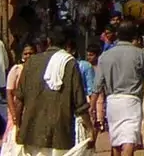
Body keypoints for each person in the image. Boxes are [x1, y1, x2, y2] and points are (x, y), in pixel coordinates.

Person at [15, 26, 90, 156]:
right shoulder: (70, 63)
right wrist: (90, 128)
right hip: (60, 133)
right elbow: (80, 104)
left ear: (48, 41)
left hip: (31, 132)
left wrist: (18, 126)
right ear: (68, 44)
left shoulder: (31, 62)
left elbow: (19, 100)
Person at [94, 21, 144, 156]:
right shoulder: (141, 54)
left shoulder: (105, 56)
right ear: (134, 35)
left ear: (117, 35)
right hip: (132, 101)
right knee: (129, 139)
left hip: (112, 102)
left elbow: (97, 85)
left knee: (116, 140)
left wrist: (92, 106)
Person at [1, 40, 38, 156]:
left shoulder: (39, 71)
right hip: (16, 111)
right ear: (21, 55)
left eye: (31, 53)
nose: (28, 56)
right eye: (25, 53)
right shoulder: (16, 70)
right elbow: (9, 93)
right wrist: (14, 116)